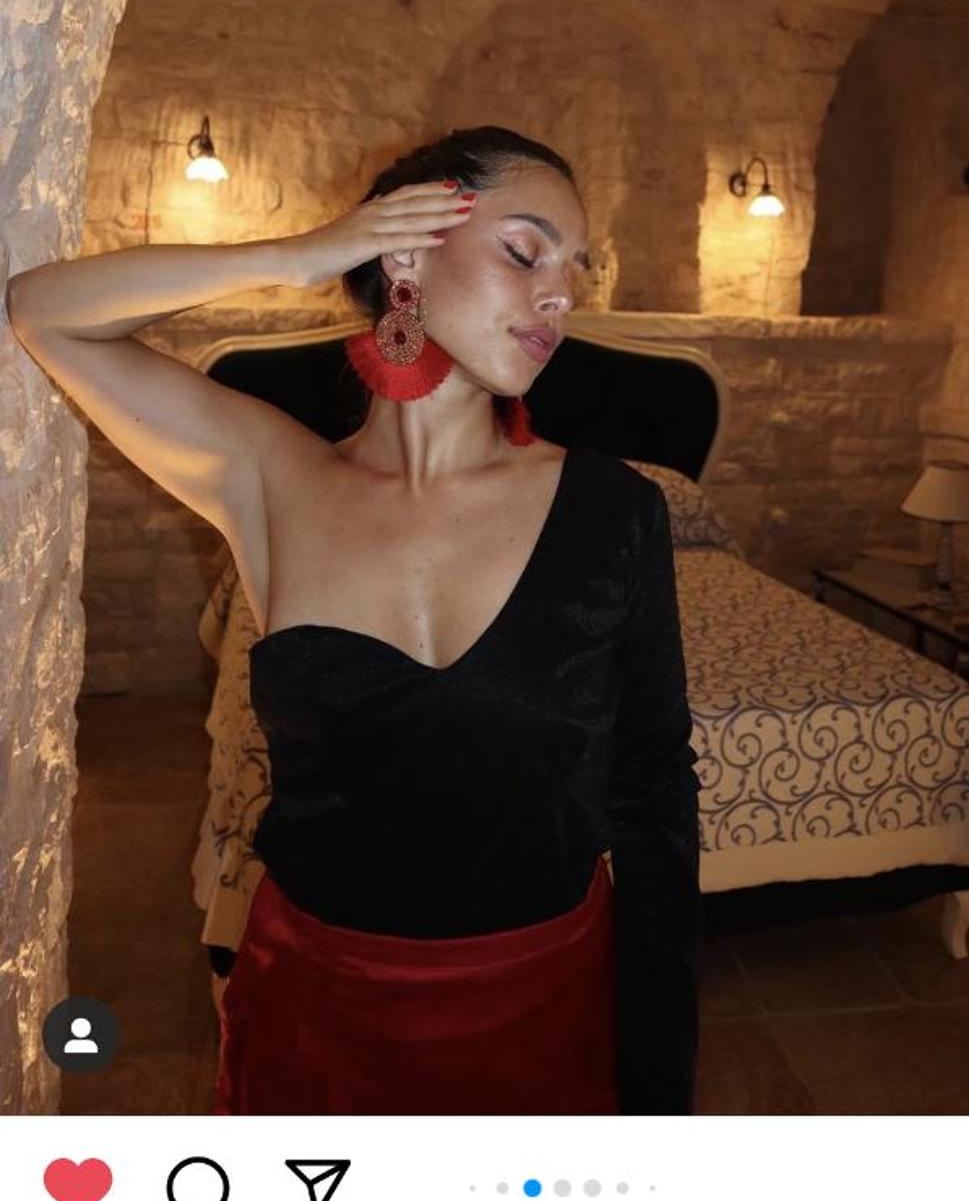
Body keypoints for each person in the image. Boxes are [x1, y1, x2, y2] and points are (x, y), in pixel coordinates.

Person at [8, 124, 702, 1115]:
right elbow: (43, 310)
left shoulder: (614, 509)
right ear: (406, 253)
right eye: (526, 251)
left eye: (576, 269)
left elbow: (655, 796)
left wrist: (662, 1082)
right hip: (316, 1014)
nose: (561, 294)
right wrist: (301, 254)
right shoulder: (274, 477)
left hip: (541, 1009)